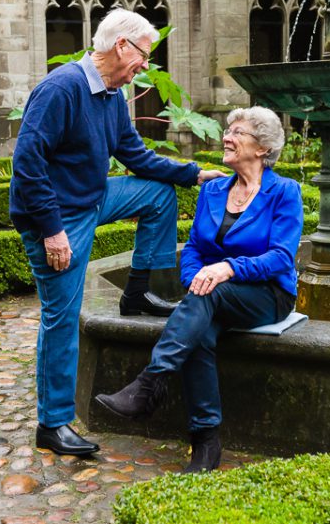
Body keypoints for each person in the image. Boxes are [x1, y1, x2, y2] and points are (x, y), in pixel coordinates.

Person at [10, 8, 225, 457]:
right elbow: (27, 165)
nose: (145, 66)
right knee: (61, 318)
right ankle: (52, 424)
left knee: (158, 195)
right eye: (143, 56)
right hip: (59, 216)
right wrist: (52, 231)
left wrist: (191, 173)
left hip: (94, 197)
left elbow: (137, 157)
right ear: (121, 46)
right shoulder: (62, 88)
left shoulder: (109, 97)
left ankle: (139, 291)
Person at [95, 106, 304, 473]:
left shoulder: (285, 192)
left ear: (262, 149)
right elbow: (193, 248)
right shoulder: (214, 189)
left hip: (268, 294)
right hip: (212, 292)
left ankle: (150, 385)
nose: (227, 136)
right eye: (228, 129)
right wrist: (193, 276)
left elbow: (281, 258)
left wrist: (226, 268)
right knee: (200, 332)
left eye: (238, 132)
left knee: (210, 295)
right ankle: (206, 442)